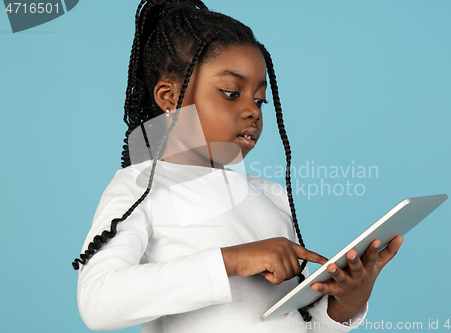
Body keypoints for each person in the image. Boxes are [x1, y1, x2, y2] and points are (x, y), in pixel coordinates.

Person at [73, 1, 404, 332]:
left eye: (259, 100)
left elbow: (295, 324)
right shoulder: (141, 188)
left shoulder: (270, 195)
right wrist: (232, 260)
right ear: (169, 97)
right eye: (232, 93)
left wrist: (344, 305)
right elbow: (98, 301)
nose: (253, 111)